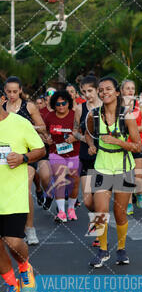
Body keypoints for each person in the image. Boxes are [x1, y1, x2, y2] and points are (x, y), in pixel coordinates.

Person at [85, 77, 141, 268]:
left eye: (108, 89)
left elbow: (137, 146)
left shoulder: (127, 116)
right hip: (102, 167)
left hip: (124, 168)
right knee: (99, 211)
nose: (104, 92)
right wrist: (92, 145)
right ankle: (102, 250)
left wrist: (117, 141)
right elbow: (87, 133)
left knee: (119, 213)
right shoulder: (93, 115)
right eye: (101, 90)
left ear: (117, 92)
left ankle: (122, 249)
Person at [0, 82, 45, 292]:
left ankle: (24, 268)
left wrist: (23, 158)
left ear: (2, 100)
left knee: (13, 241)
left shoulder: (20, 123)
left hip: (13, 193)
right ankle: (11, 285)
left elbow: (40, 149)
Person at [3, 76, 46, 245]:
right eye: (9, 91)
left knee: (24, 188)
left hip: (27, 154)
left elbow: (42, 127)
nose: (12, 95)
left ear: (20, 90)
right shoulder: (2, 108)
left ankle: (30, 229)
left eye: (15, 91)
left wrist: (25, 125)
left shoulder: (28, 106)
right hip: (6, 158)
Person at [44, 90, 80, 223]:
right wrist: (46, 138)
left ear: (68, 103)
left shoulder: (75, 115)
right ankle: (61, 212)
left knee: (74, 180)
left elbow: (83, 134)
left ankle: (71, 208)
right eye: (57, 104)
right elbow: (45, 132)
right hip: (56, 152)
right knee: (59, 178)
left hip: (73, 153)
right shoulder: (49, 117)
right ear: (54, 105)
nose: (61, 106)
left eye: (64, 103)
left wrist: (74, 138)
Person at [73, 75, 101, 219]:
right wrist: (85, 139)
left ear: (97, 90)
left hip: (104, 156)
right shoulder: (80, 109)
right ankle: (98, 222)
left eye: (90, 90)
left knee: (100, 199)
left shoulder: (106, 107)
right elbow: (75, 132)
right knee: (88, 201)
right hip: (86, 155)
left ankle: (99, 235)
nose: (87, 95)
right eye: (84, 92)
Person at [121, 79, 142, 211]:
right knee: (126, 175)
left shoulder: (140, 106)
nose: (130, 90)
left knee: (138, 175)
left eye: (132, 88)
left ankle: (138, 193)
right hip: (123, 145)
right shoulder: (117, 107)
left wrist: (134, 129)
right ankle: (129, 203)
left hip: (138, 143)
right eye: (127, 88)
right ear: (121, 91)